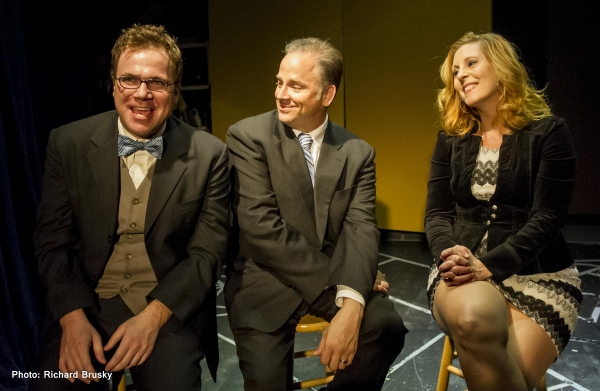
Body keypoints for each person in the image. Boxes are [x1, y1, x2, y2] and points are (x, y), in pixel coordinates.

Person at [31, 24, 230, 390]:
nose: (142, 94)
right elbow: (52, 242)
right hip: (85, 302)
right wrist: (73, 321)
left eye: (157, 82)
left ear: (176, 89)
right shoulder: (68, 143)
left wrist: (153, 318)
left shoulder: (210, 153)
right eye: (130, 80)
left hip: (164, 305)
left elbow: (207, 254)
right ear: (113, 83)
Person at [225, 37, 407, 391]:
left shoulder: (358, 152)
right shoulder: (247, 136)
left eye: (295, 85)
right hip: (265, 280)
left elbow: (361, 228)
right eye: (279, 82)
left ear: (327, 95)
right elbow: (262, 229)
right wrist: (350, 282)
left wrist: (351, 303)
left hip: (329, 278)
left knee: (386, 327)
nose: (281, 93)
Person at [425, 32, 582, 391]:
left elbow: (549, 217)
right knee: (474, 316)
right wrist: (452, 255)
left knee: (512, 380)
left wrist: (492, 264)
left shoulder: (549, 133)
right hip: (463, 270)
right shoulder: (450, 139)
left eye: (471, 63)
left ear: (501, 68)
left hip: (541, 276)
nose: (460, 75)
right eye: (455, 70)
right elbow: (437, 215)